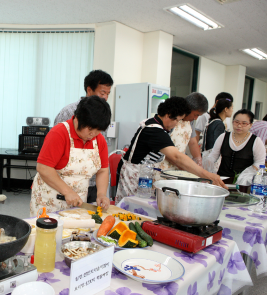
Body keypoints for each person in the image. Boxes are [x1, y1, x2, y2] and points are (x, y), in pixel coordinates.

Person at [115, 97, 226, 204]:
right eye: (177, 120)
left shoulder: (156, 124)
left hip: (144, 175)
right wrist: (207, 175)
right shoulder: (154, 130)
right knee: (130, 209)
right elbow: (177, 157)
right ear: (168, 115)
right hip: (134, 175)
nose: (176, 124)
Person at [30, 96, 111, 216]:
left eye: (98, 130)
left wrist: (101, 194)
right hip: (49, 202)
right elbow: (43, 168)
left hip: (77, 203)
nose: (93, 134)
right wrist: (67, 192)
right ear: (78, 119)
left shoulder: (99, 140)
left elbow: (103, 171)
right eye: (90, 129)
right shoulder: (59, 133)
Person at [54, 70, 113, 203]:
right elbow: (50, 159)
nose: (105, 98)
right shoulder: (68, 112)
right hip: (61, 186)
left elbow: (101, 155)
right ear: (89, 90)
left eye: (108, 94)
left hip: (91, 183)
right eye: (102, 93)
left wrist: (102, 193)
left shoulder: (103, 114)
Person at [154, 92, 208, 181]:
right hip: (162, 167)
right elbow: (165, 151)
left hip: (178, 165)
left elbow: (193, 143)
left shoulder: (189, 121)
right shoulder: (170, 120)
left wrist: (199, 162)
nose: (196, 119)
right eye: (196, 115)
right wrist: (186, 166)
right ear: (188, 109)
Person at [206, 109, 266, 181]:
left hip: (244, 182)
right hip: (221, 179)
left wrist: (246, 175)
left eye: (244, 123)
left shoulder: (256, 141)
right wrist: (209, 172)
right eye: (236, 122)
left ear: (250, 125)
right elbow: (213, 156)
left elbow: (259, 163)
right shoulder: (223, 137)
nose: (239, 126)